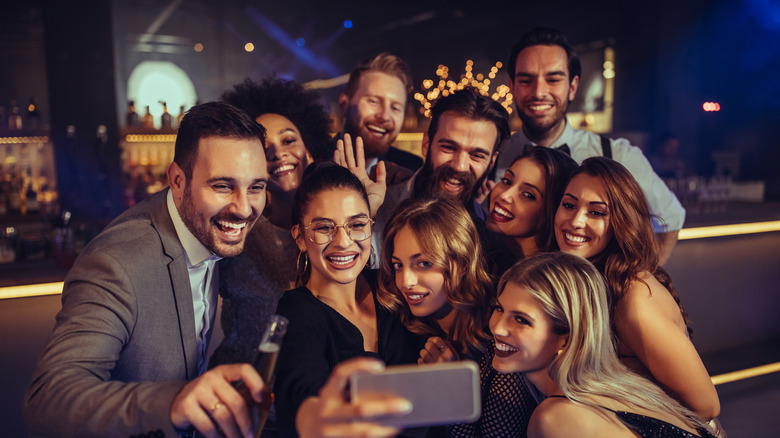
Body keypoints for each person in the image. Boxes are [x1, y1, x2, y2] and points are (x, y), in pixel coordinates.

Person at [24, 102, 271, 438]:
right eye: (223, 186)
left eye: (256, 187)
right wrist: (173, 403)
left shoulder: (213, 227)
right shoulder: (117, 262)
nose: (244, 208)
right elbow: (48, 400)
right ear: (178, 181)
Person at [553, 157, 721, 425]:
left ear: (621, 221)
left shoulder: (634, 298)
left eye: (596, 212)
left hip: (676, 429)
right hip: (625, 423)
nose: (575, 221)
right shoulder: (585, 279)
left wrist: (587, 399)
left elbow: (706, 407)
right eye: (569, 205)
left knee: (553, 418)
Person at [496, 26, 684, 265]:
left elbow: (670, 218)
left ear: (572, 87)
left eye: (553, 79)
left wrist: (636, 284)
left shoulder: (617, 154)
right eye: (526, 80)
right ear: (511, 86)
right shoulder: (495, 155)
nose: (539, 91)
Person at [491, 252, 716, 438]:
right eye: (499, 309)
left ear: (567, 337)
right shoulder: (624, 389)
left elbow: (709, 408)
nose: (498, 328)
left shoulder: (557, 418)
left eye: (521, 320)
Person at [273, 162, 424, 438]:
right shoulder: (296, 311)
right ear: (300, 238)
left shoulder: (395, 285)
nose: (343, 241)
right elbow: (298, 384)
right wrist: (314, 416)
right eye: (324, 228)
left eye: (356, 224)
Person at [377, 196, 537, 438]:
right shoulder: (405, 324)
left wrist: (451, 386)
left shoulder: (500, 346)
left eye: (423, 263)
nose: (405, 282)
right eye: (398, 265)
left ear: (462, 263)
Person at [213, 77, 335, 367]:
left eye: (289, 140)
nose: (277, 152)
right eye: (262, 145)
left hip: (316, 397)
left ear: (310, 150)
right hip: (244, 396)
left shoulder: (338, 231)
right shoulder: (235, 229)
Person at [372, 87, 511, 265]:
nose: (460, 165)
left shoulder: (495, 238)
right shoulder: (377, 210)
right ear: (426, 144)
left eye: (477, 155)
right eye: (449, 147)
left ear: (492, 161)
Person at [339, 52, 424, 183]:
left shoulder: (413, 172)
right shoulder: (311, 163)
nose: (385, 116)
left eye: (395, 108)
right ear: (344, 104)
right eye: (374, 101)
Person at [485, 146, 577, 267]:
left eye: (528, 195)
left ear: (552, 211)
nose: (504, 195)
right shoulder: (490, 258)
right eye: (507, 181)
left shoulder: (545, 281)